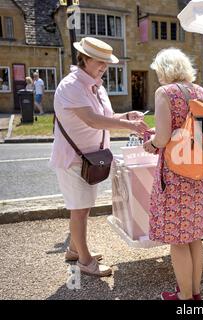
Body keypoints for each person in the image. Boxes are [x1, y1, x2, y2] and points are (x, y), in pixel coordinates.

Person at [49, 37, 149, 277]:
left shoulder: (96, 85)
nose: (104, 66)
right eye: (100, 61)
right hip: (74, 158)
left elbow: (107, 115)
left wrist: (126, 116)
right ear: (84, 58)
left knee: (84, 207)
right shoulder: (72, 85)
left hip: (91, 159)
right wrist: (130, 128)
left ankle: (74, 250)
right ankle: (84, 261)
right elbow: (92, 120)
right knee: (79, 210)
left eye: (107, 62)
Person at [143, 48, 203, 300]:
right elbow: (194, 130)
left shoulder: (165, 92)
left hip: (175, 176)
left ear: (164, 70)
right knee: (194, 235)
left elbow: (163, 138)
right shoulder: (200, 91)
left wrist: (150, 144)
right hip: (199, 171)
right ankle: (194, 293)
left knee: (178, 239)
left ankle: (184, 298)